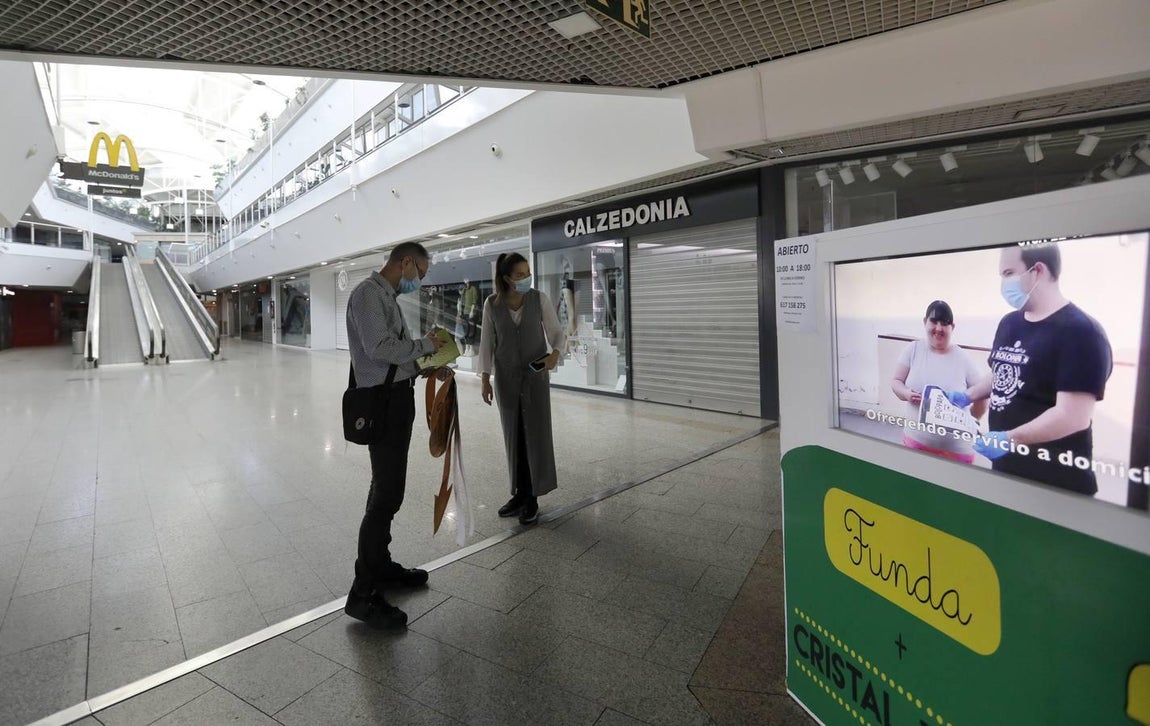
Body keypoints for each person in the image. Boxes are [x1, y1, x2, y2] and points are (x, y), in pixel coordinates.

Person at [947, 242, 1112, 495]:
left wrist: (1009, 438)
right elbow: (1002, 371)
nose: (1003, 283)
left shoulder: (1081, 332)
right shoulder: (1010, 323)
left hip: (1055, 485)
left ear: (1038, 271)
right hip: (1006, 470)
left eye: (1009, 274)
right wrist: (968, 395)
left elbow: (1072, 416)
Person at [344, 242, 447, 627]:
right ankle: (363, 592)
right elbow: (380, 348)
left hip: (395, 399)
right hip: (382, 405)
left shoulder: (386, 297)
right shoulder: (368, 295)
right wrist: (425, 345)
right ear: (405, 262)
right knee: (385, 495)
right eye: (420, 271)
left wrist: (429, 363)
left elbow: (395, 360)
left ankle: (382, 566)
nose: (419, 279)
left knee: (388, 490)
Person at [479, 253, 566, 525]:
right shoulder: (492, 304)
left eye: (527, 272)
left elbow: (556, 334)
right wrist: (485, 378)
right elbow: (486, 344)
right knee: (513, 436)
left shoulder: (538, 299)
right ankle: (518, 493)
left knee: (536, 437)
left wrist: (555, 355)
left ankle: (532, 497)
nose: (526, 278)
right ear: (506, 278)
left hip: (535, 379)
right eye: (519, 274)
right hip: (506, 380)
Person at [891, 301, 988, 463]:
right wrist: (906, 394)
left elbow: (983, 395)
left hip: (957, 452)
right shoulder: (913, 350)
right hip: (916, 444)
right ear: (925, 322)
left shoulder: (962, 358)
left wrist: (970, 421)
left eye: (945, 323)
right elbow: (896, 381)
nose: (939, 328)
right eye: (934, 322)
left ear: (953, 327)